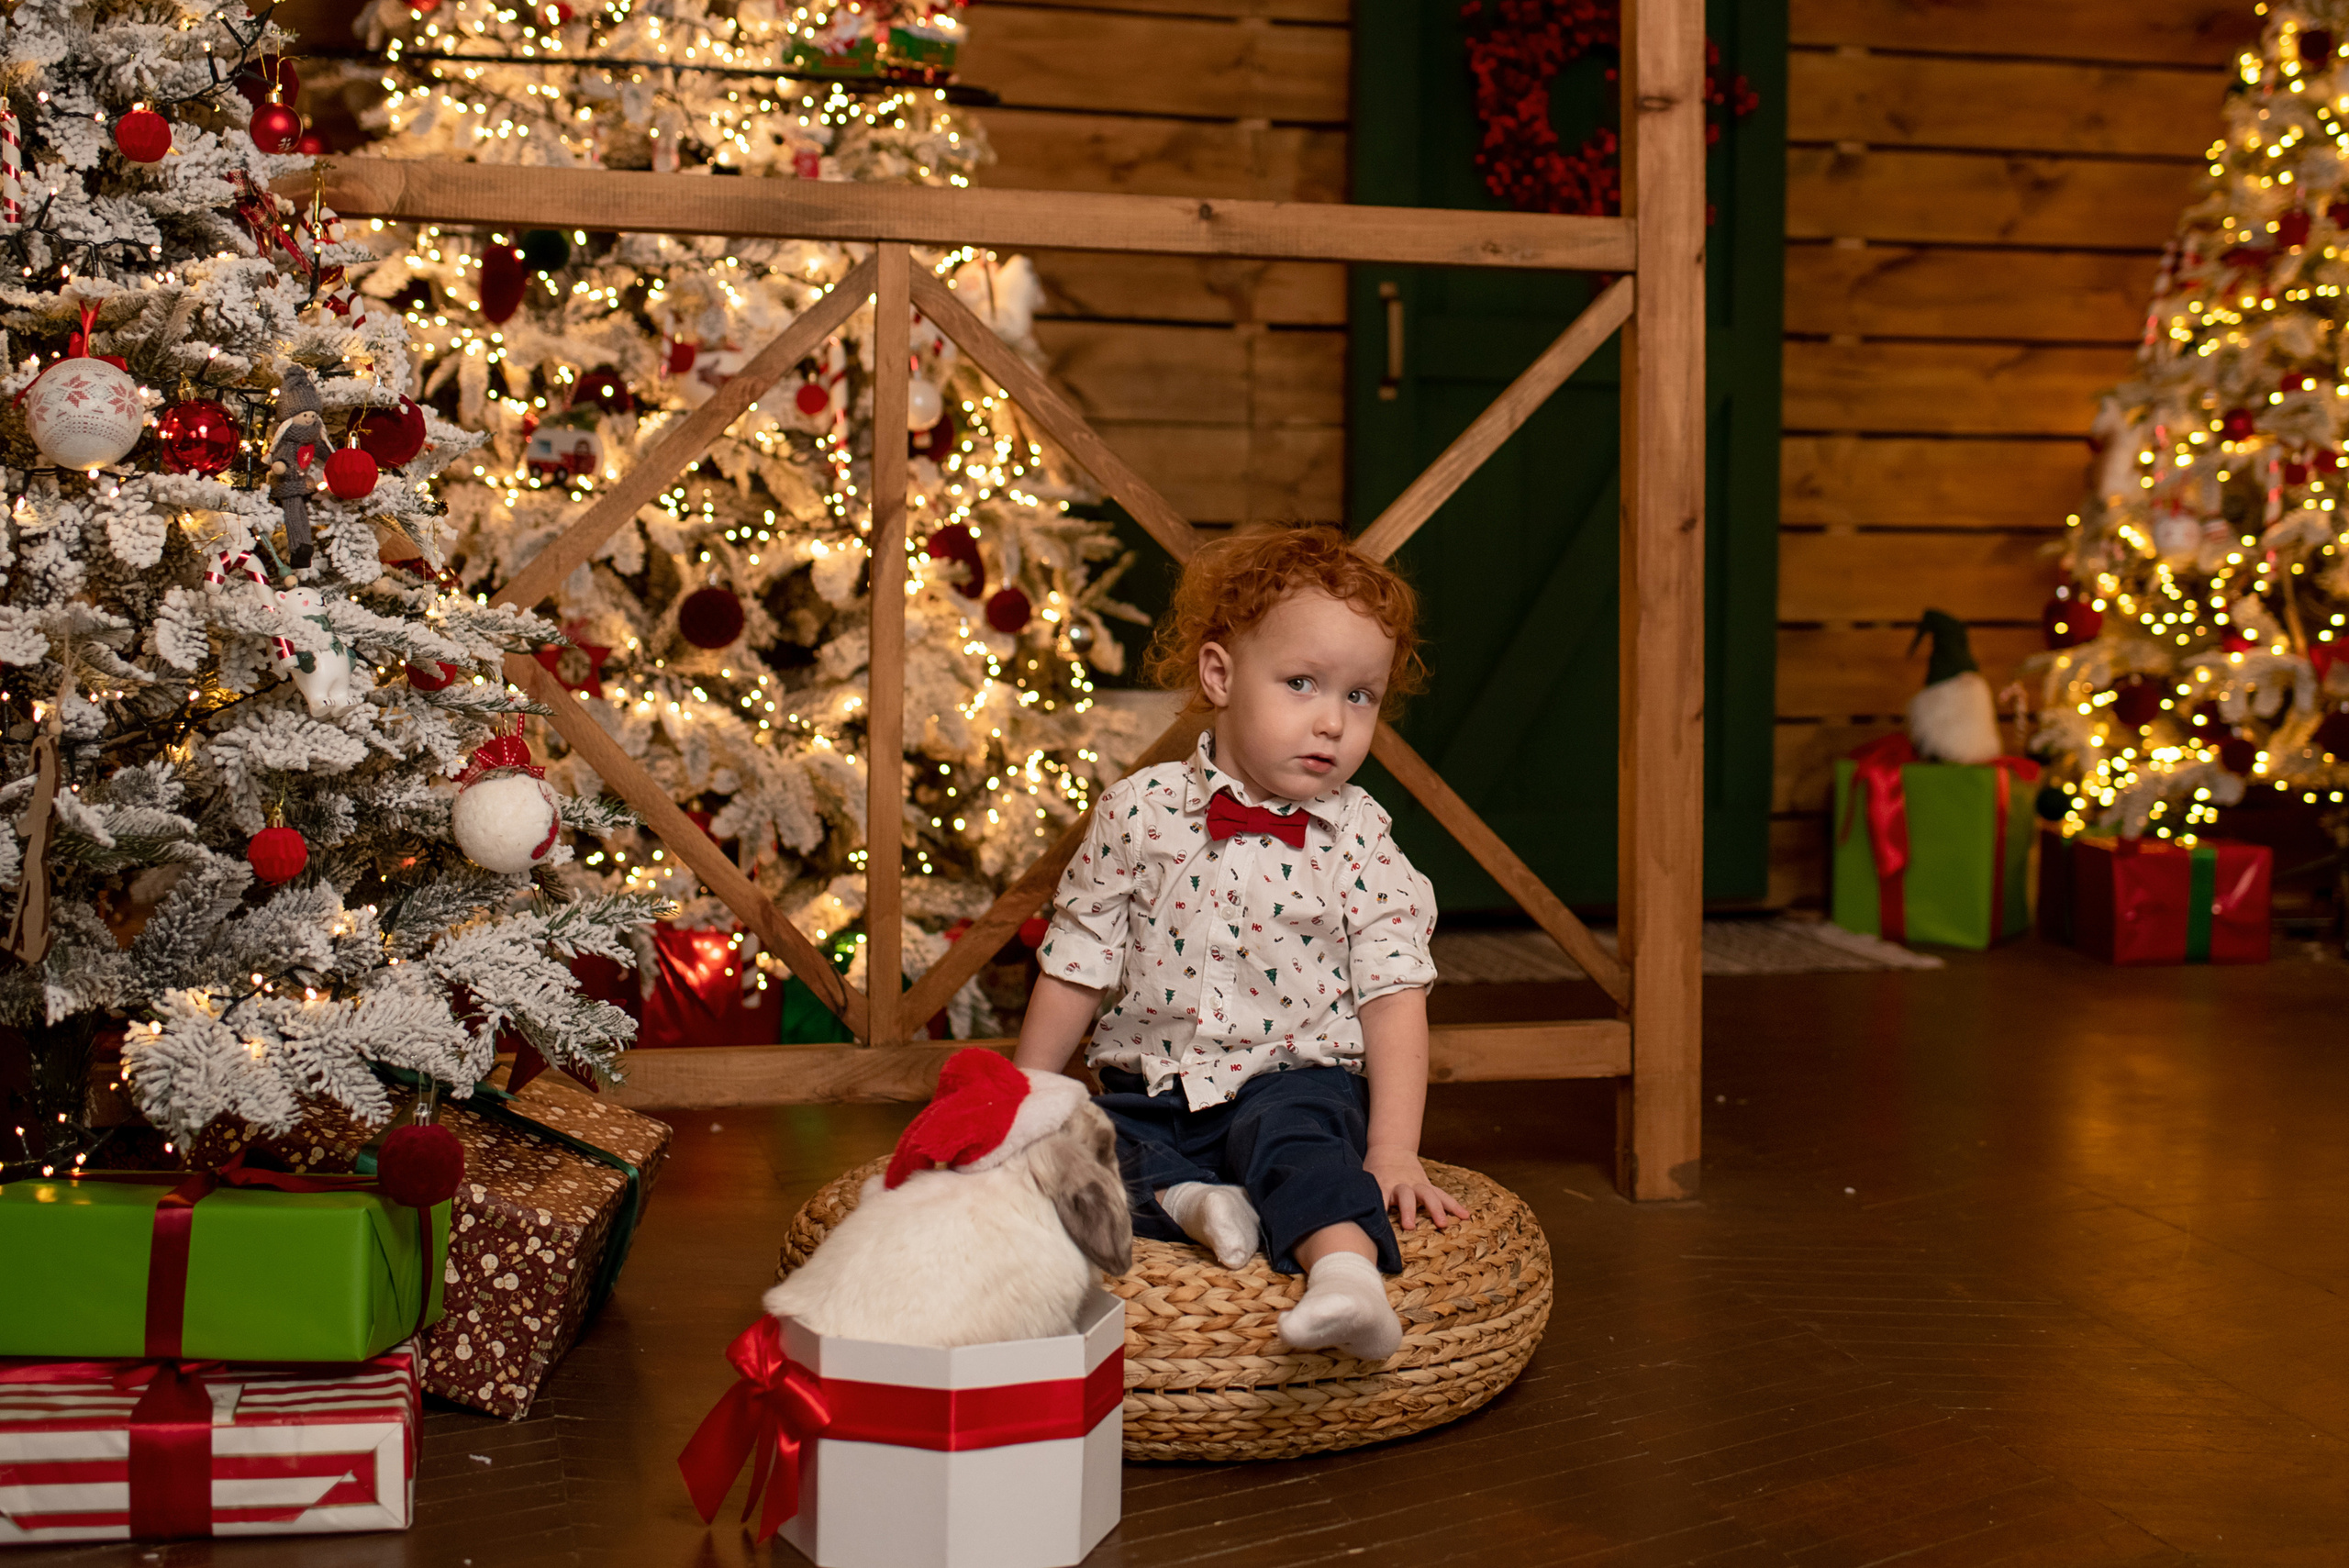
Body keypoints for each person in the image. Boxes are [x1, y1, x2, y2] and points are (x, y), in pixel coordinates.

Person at [1013, 523, 1464, 1361]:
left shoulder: (1360, 837)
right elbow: (1077, 963)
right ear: (1220, 675)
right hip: (1154, 1085)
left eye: (1360, 696)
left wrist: (1394, 1150)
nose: (1332, 722)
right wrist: (1024, 1100)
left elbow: (1393, 996)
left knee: (1308, 1153)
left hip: (1293, 1081)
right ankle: (1192, 1202)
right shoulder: (1137, 813)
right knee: (1072, 1149)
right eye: (1302, 683)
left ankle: (1347, 1281)